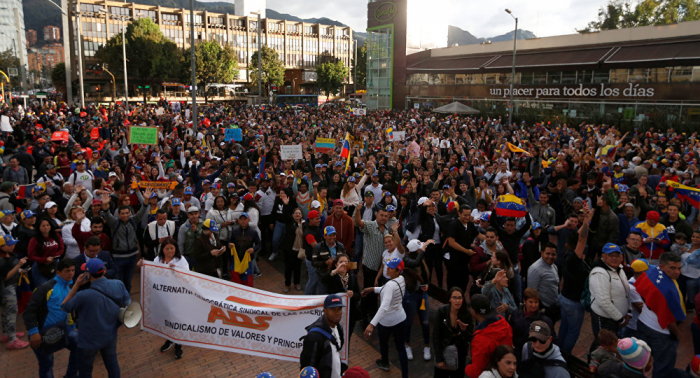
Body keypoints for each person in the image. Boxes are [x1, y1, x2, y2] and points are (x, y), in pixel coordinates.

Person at [61, 258, 131, 378]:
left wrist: (76, 285)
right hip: (110, 335)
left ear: (88, 274)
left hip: (88, 341)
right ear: (104, 270)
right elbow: (128, 304)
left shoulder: (83, 295)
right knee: (112, 364)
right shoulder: (118, 284)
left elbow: (65, 306)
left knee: (86, 370)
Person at [23, 258, 80, 378]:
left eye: (73, 270)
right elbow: (29, 311)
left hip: (63, 329)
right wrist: (33, 332)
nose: (71, 273)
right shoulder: (45, 288)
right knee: (47, 365)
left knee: (80, 346)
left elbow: (68, 310)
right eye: (67, 270)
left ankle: (71, 375)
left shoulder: (69, 286)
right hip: (42, 333)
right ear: (58, 272)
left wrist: (73, 326)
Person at [635, 252, 685, 378]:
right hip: (661, 333)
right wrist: (677, 333)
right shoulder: (667, 290)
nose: (677, 272)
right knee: (663, 367)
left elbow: (641, 289)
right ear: (662, 266)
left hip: (642, 323)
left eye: (679, 268)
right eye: (672, 268)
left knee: (641, 360)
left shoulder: (651, 271)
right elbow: (668, 319)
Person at [137, 238, 188, 359]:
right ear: (162, 250)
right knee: (166, 319)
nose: (170, 251)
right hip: (163, 296)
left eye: (172, 248)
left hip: (177, 296)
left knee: (176, 320)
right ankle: (169, 339)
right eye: (167, 248)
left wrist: (176, 270)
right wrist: (143, 265)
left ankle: (178, 345)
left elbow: (188, 275)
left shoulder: (181, 260)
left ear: (176, 249)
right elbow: (152, 273)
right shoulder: (158, 259)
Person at [362, 258, 409, 377]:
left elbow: (383, 307)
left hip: (387, 322)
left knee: (383, 344)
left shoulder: (389, 285)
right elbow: (387, 290)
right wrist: (372, 289)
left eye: (391, 267)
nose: (387, 268)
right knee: (401, 348)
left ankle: (385, 362)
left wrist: (371, 324)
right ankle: (405, 375)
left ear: (397, 271)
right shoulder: (401, 279)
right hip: (401, 318)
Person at [100, 192, 149, 293]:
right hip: (118, 258)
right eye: (122, 213)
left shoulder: (133, 220)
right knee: (118, 281)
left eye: (127, 213)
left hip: (132, 257)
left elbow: (142, 211)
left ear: (130, 213)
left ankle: (127, 300)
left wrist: (146, 200)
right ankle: (118, 299)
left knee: (128, 281)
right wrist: (105, 205)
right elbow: (107, 214)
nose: (125, 215)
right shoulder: (114, 223)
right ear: (118, 214)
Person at [589, 243, 631, 349]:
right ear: (603, 256)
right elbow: (603, 301)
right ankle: (592, 364)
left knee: (610, 344)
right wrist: (619, 318)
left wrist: (628, 311)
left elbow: (627, 292)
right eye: (610, 255)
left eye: (617, 255)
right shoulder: (599, 273)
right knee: (602, 345)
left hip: (616, 319)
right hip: (605, 318)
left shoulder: (619, 269)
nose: (614, 258)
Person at [465, 294, 513, 378]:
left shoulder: (481, 339)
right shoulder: (504, 324)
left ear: (473, 311)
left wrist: (467, 368)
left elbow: (476, 371)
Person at [299, 294, 347, 378]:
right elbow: (307, 368)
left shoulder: (338, 327)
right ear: (324, 310)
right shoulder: (314, 337)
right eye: (333, 309)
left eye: (339, 309)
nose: (337, 313)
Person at [402, 239, 434, 362]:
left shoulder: (423, 261)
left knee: (425, 322)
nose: (422, 250)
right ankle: (407, 344)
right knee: (408, 322)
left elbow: (426, 276)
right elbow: (415, 263)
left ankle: (427, 346)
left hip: (422, 295)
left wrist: (427, 285)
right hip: (410, 296)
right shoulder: (407, 260)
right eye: (420, 248)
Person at [433, 287, 473, 378]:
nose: (457, 301)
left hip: (459, 354)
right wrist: (439, 358)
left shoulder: (466, 314)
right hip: (444, 349)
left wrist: (464, 330)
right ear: (449, 299)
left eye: (460, 298)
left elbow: (470, 337)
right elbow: (436, 336)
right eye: (455, 297)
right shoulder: (442, 311)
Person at [0, 235, 29, 349]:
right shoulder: (1, 260)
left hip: (12, 286)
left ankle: (7, 333)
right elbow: (5, 277)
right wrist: (18, 265)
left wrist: (20, 270)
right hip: (6, 288)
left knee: (7, 312)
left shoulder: (10, 255)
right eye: (10, 244)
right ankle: (12, 339)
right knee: (11, 312)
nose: (13, 246)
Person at [323, 253, 361, 338]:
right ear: (336, 264)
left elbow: (358, 295)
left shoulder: (353, 277)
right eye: (341, 262)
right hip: (336, 313)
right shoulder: (332, 277)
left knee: (347, 336)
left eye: (346, 262)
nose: (343, 264)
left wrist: (352, 295)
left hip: (350, 314)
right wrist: (335, 271)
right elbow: (324, 280)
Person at [509, 288, 556, 355]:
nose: (534, 305)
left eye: (536, 302)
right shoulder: (515, 314)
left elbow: (553, 340)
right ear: (524, 301)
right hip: (516, 350)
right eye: (530, 302)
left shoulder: (545, 320)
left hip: (533, 353)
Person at [526, 242, 560, 325]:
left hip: (552, 307)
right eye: (547, 253)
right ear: (542, 253)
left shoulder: (553, 266)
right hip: (543, 310)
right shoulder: (535, 269)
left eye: (553, 254)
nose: (550, 256)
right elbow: (531, 292)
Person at [27, 218, 66, 287]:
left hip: (55, 263)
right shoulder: (34, 239)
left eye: (48, 225)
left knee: (56, 285)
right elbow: (30, 255)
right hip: (39, 266)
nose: (46, 227)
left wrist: (54, 257)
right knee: (43, 287)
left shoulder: (56, 235)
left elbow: (62, 248)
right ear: (39, 228)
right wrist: (45, 260)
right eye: (43, 226)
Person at [229, 212, 261, 287]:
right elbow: (230, 240)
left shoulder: (253, 232)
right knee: (236, 280)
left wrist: (253, 249)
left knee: (248, 280)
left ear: (248, 220)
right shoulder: (235, 231)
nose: (243, 221)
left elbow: (259, 244)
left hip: (248, 260)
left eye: (245, 219)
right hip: (237, 260)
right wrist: (229, 244)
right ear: (238, 221)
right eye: (241, 219)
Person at [281, 207, 305, 292]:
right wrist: (286, 205)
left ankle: (297, 283)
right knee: (288, 267)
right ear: (292, 215)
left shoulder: (304, 224)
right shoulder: (290, 222)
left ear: (302, 215)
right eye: (296, 213)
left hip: (299, 249)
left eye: (299, 213)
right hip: (289, 249)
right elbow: (285, 216)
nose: (297, 214)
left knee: (297, 267)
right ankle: (287, 284)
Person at [303, 210, 323, 295]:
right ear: (310, 220)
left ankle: (313, 297)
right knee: (313, 281)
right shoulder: (309, 234)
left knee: (315, 281)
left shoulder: (313, 228)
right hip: (312, 261)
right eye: (317, 219)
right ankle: (306, 298)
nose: (319, 220)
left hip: (314, 260)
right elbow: (316, 247)